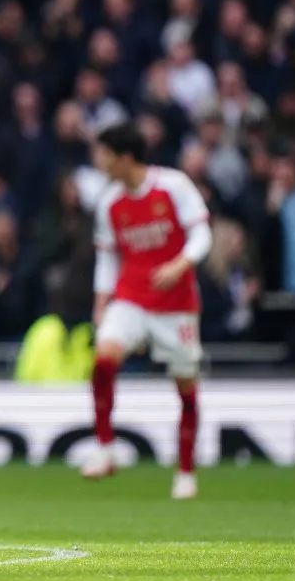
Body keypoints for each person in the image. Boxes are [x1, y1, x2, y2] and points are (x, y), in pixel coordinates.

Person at [85, 123, 212, 500]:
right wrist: (100, 303)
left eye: (104, 154)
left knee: (185, 387)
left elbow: (202, 234)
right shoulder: (110, 202)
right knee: (103, 360)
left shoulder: (173, 186)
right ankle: (106, 448)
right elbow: (107, 259)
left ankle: (186, 471)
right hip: (131, 298)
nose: (100, 162)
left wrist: (179, 264)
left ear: (124, 157)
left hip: (176, 306)